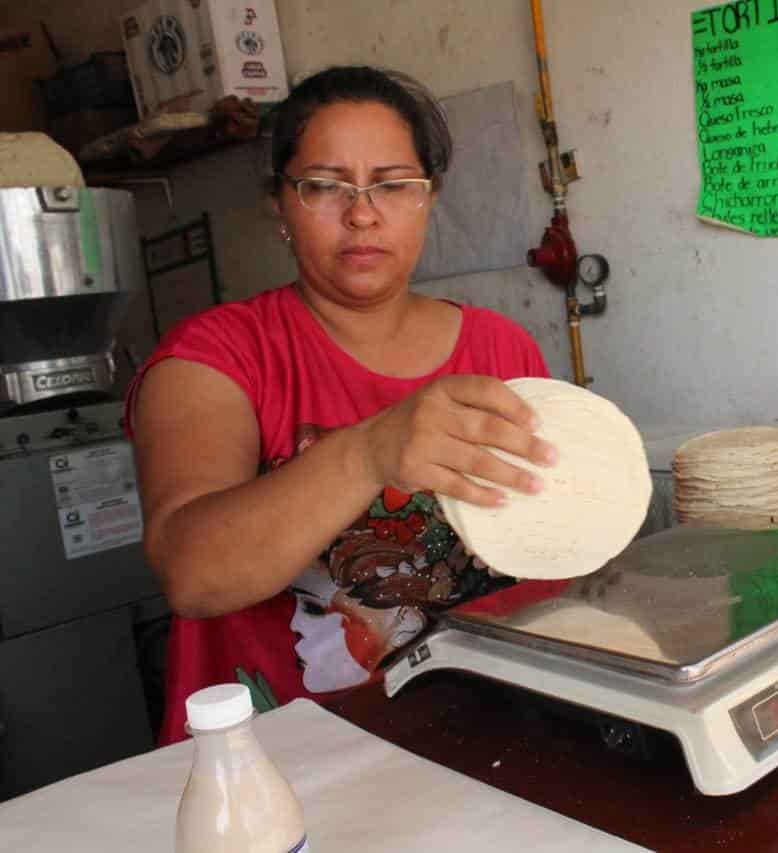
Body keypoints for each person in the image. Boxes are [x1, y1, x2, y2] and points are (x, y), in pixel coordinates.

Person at [128, 66, 558, 745]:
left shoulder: (500, 348)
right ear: (280, 202)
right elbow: (192, 570)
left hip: (473, 743)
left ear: (429, 198)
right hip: (275, 766)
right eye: (325, 186)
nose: (363, 213)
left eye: (393, 185)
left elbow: (546, 543)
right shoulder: (215, 355)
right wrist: (371, 449)